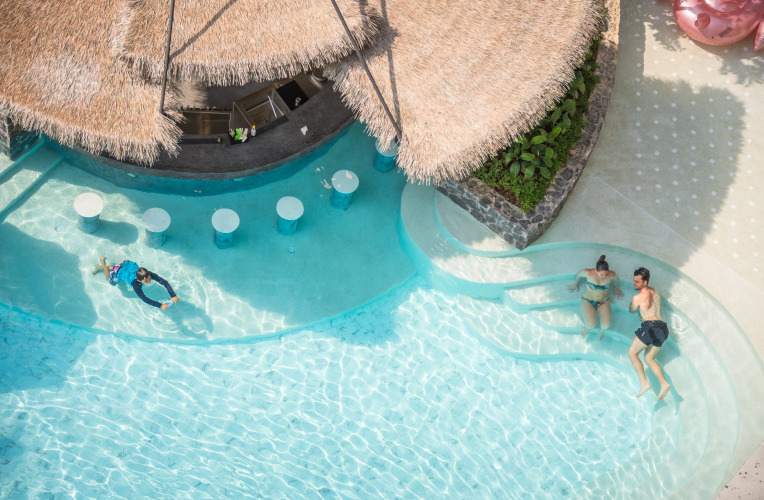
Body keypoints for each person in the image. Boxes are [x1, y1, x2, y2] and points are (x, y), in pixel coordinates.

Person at [627, 267, 671, 400]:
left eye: (637, 282)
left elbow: (632, 311)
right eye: (634, 280)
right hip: (662, 328)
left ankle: (644, 383)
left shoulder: (637, 297)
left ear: (644, 282)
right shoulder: (654, 291)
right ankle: (664, 383)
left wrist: (633, 306)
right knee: (649, 358)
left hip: (650, 327)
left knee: (632, 354)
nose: (634, 283)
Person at [568, 255, 623, 340]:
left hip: (603, 301)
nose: (604, 276)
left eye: (605, 274)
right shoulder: (588, 273)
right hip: (588, 300)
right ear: (596, 270)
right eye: (601, 274)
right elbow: (578, 275)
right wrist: (575, 284)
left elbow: (616, 279)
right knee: (591, 324)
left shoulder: (611, 274)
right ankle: (586, 329)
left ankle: (601, 331)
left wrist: (616, 288)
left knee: (606, 325)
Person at [95, 256, 179, 310]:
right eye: (146, 281)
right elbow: (144, 298)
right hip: (122, 268)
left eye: (149, 279)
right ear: (139, 280)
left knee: (118, 268)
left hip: (125, 264)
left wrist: (173, 295)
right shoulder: (135, 284)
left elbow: (164, 282)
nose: (149, 281)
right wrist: (160, 305)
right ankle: (104, 264)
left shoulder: (147, 274)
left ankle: (108, 267)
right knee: (110, 281)